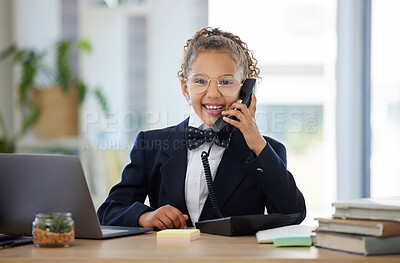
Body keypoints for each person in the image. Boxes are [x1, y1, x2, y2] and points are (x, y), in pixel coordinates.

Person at [97, 27, 306, 229]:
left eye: (226, 82)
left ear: (245, 90)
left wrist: (257, 144)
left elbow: (292, 213)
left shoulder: (265, 151)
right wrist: (146, 216)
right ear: (185, 88)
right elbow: (109, 211)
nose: (213, 93)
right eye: (200, 81)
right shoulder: (150, 146)